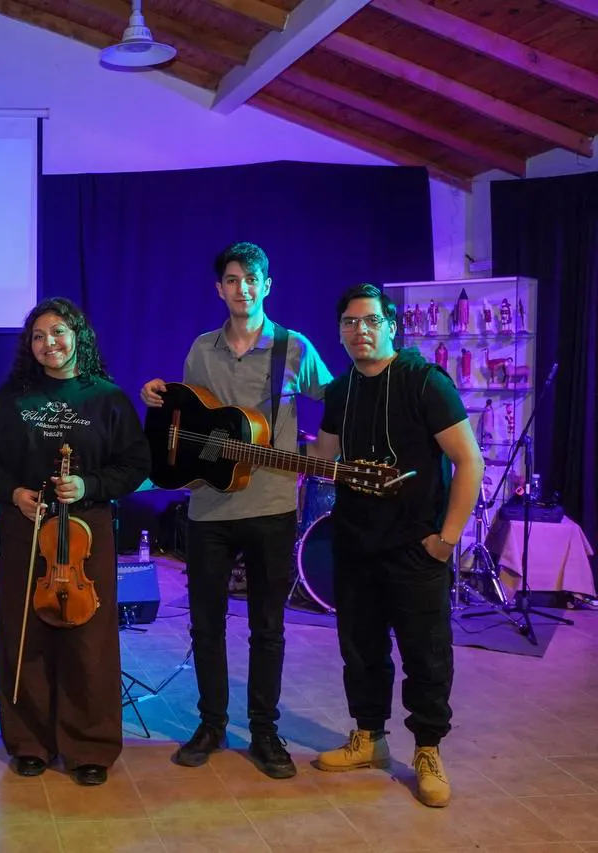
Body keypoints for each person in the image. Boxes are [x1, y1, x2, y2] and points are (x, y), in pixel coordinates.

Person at [140, 241, 331, 779]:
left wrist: (325, 452)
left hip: (271, 506)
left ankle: (265, 732)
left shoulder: (294, 348)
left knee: (268, 626)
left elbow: (336, 399)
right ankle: (212, 723)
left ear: (267, 284)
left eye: (251, 279)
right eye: (231, 279)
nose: (241, 288)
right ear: (218, 288)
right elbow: (187, 417)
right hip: (208, 508)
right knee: (205, 624)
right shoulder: (201, 349)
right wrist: (157, 394)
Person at [310, 283, 482, 808]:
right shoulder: (339, 392)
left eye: (369, 321)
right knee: (360, 650)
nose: (359, 331)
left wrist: (446, 540)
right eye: (349, 322)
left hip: (416, 547)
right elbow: (324, 462)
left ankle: (428, 749)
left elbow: (469, 462)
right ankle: (370, 738)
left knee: (425, 655)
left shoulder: (425, 382)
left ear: (390, 325)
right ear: (339, 332)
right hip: (355, 545)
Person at [0, 297, 149, 787]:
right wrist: (14, 493)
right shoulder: (13, 397)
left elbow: (135, 465)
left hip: (85, 534)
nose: (48, 343)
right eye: (37, 336)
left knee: (87, 638)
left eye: (57, 333)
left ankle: (89, 745)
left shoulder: (107, 397)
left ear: (78, 336)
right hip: (25, 527)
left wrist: (88, 486)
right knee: (25, 634)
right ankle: (29, 741)